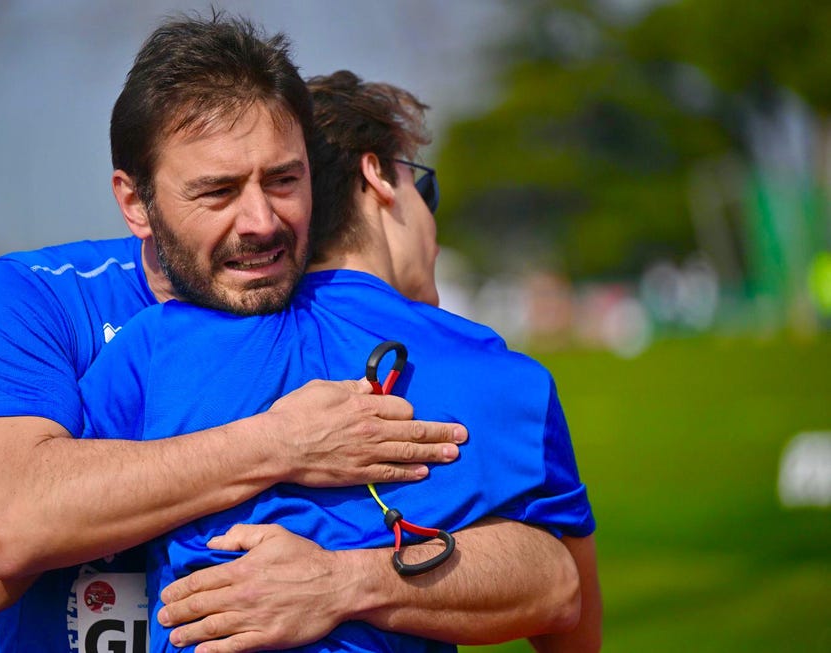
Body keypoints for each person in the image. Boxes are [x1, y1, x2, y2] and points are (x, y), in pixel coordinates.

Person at [0, 13, 583, 653]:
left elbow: (554, 582)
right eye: (217, 191)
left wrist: (342, 582)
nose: (262, 223)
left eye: (283, 180)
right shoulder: (45, 295)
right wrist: (278, 444)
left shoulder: (339, 322)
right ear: (136, 203)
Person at [79, 70, 601, 653]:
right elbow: (573, 631)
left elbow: (25, 530)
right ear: (377, 176)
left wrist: (339, 581)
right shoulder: (506, 380)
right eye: (421, 188)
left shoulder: (160, 347)